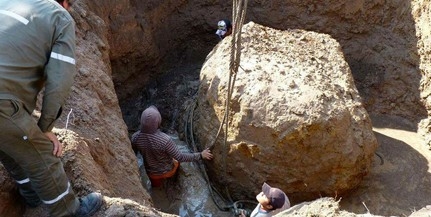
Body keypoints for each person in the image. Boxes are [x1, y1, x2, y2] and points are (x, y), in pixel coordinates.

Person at [0, 0, 103, 216]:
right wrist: (45, 126)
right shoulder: (60, 16)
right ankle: (69, 210)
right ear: (64, 3)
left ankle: (31, 195)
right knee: (42, 155)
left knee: (9, 144)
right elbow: (59, 80)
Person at [131, 105, 213, 187]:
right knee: (176, 161)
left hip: (152, 174)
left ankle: (157, 188)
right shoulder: (165, 140)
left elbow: (133, 155)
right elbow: (180, 157)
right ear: (158, 122)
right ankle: (174, 181)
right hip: (168, 172)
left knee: (156, 186)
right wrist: (201, 155)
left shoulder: (135, 137)